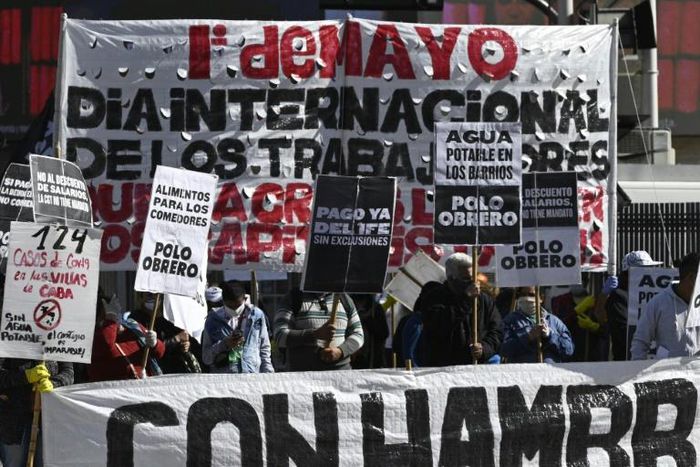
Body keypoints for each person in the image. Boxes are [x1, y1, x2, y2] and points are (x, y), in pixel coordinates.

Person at [416, 252, 502, 366]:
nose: (472, 283)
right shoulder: (434, 298)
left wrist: (484, 348)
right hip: (444, 368)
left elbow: (497, 330)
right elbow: (438, 326)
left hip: (478, 366)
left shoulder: (483, 299)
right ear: (451, 278)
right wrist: (465, 300)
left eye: (474, 278)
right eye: (466, 278)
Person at [0, 360, 73, 466]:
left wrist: (53, 383)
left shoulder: (60, 345)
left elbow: (68, 373)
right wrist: (26, 376)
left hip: (48, 419)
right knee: (14, 462)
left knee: (44, 462)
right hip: (12, 421)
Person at [274, 289, 364, 371]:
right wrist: (315, 334)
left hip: (340, 378)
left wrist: (340, 351)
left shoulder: (344, 298)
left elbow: (358, 334)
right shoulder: (293, 298)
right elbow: (279, 336)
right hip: (303, 379)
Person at [631, 252, 700, 360]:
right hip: (668, 374)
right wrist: (639, 375)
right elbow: (640, 343)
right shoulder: (658, 303)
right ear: (691, 277)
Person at [595, 250, 663, 360]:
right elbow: (623, 334)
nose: (651, 272)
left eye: (651, 267)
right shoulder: (619, 297)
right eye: (646, 269)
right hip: (627, 363)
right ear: (631, 272)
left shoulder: (658, 294)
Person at [88, 291, 166, 381]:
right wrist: (110, 320)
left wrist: (155, 344)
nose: (118, 313)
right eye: (113, 311)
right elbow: (105, 344)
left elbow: (160, 352)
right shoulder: (97, 336)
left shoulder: (133, 326)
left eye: (118, 309)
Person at [201, 281, 273, 373]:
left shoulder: (256, 316)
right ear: (223, 301)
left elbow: (264, 348)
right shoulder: (213, 320)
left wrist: (269, 373)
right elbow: (206, 357)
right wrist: (224, 344)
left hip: (251, 375)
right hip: (223, 379)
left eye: (238, 305)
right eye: (230, 306)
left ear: (244, 298)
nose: (234, 309)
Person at [131, 292, 202, 374]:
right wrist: (175, 339)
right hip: (151, 370)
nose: (154, 298)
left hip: (172, 371)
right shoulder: (135, 319)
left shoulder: (168, 318)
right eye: (150, 295)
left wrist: (184, 346)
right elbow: (144, 347)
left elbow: (178, 342)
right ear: (140, 298)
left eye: (157, 295)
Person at [500, 286, 574, 363]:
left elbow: (568, 350)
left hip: (550, 373)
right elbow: (503, 349)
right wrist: (528, 337)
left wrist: (550, 335)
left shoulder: (554, 321)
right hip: (522, 373)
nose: (526, 298)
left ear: (541, 298)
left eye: (531, 295)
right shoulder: (509, 321)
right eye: (523, 294)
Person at [349, 294, 389, 369]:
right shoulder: (349, 311)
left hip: (372, 357)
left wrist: (369, 321)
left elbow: (384, 333)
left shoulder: (376, 310)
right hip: (353, 357)